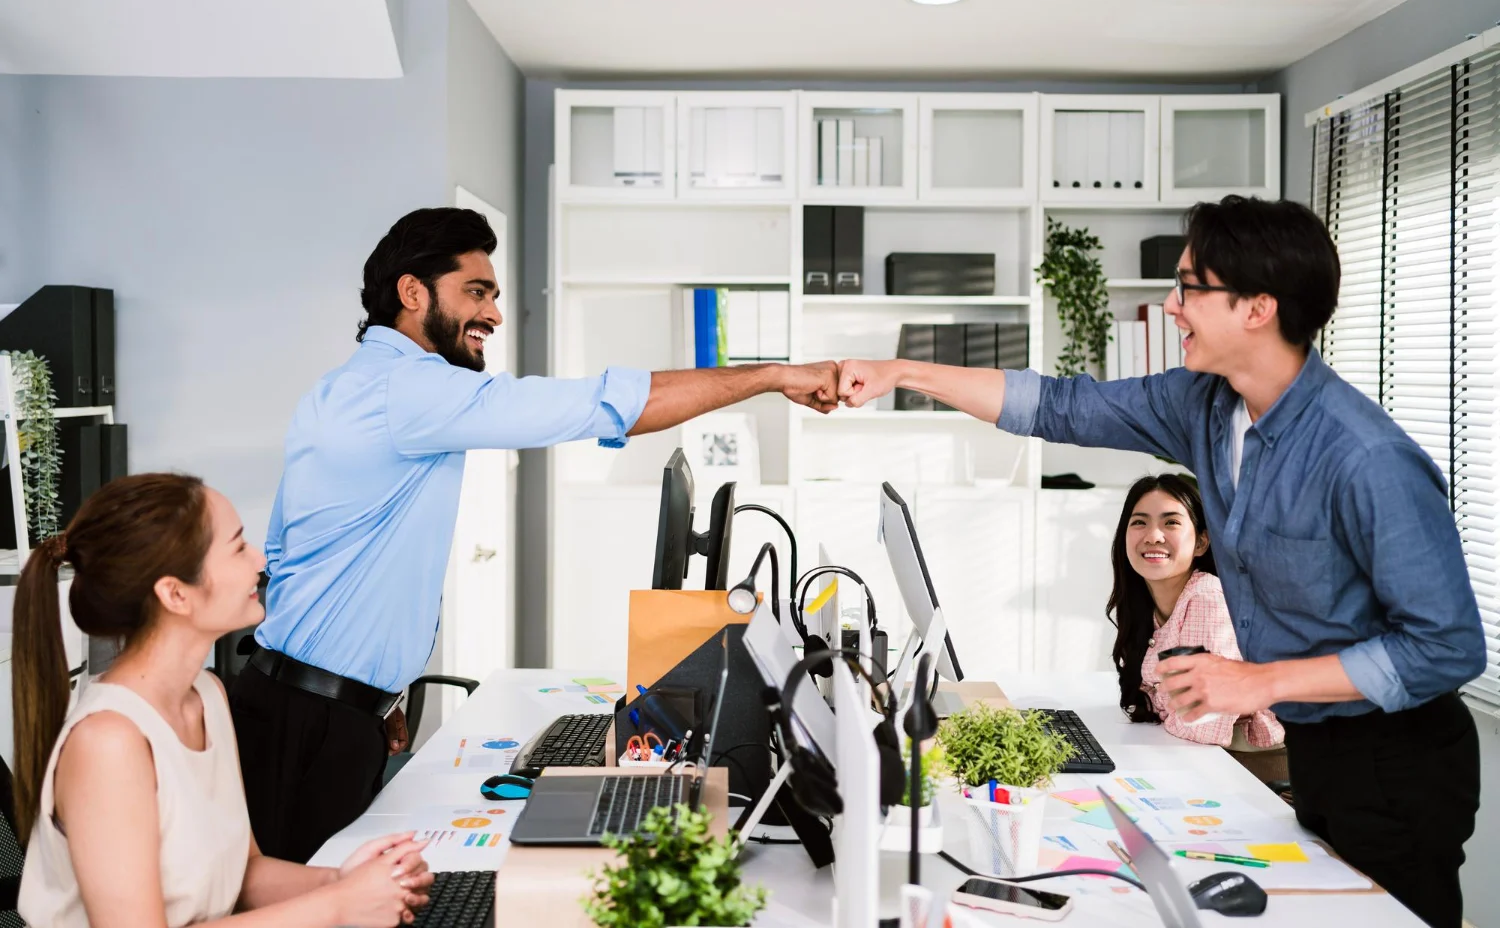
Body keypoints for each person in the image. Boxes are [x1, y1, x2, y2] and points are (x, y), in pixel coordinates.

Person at [837, 195, 1486, 928]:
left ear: (1258, 308)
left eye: (1190, 287)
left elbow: (1448, 646)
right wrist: (901, 372)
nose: (1172, 307)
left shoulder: (1366, 458)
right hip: (1316, 748)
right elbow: (1059, 406)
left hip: (1399, 760)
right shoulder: (1207, 406)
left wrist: (1257, 680)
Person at [232, 206, 841, 862]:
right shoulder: (410, 390)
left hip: (313, 705)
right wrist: (773, 376)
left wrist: (376, 693)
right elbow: (606, 403)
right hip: (311, 722)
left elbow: (289, 552)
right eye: (476, 291)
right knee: (309, 894)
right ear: (412, 293)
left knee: (328, 886)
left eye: (493, 294)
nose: (493, 313)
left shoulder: (351, 385)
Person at [13, 473, 434, 928]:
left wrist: (341, 881)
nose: (259, 560)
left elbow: (244, 873)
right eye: (237, 548)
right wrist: (338, 905)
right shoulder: (108, 742)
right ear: (175, 593)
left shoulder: (207, 695)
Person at [1107, 473, 1282, 752]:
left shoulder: (1206, 598)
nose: (1153, 536)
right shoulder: (1146, 605)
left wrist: (1165, 708)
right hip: (1191, 753)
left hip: (1243, 762)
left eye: (1171, 523)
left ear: (1201, 542)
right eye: (1139, 522)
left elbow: (1201, 724)